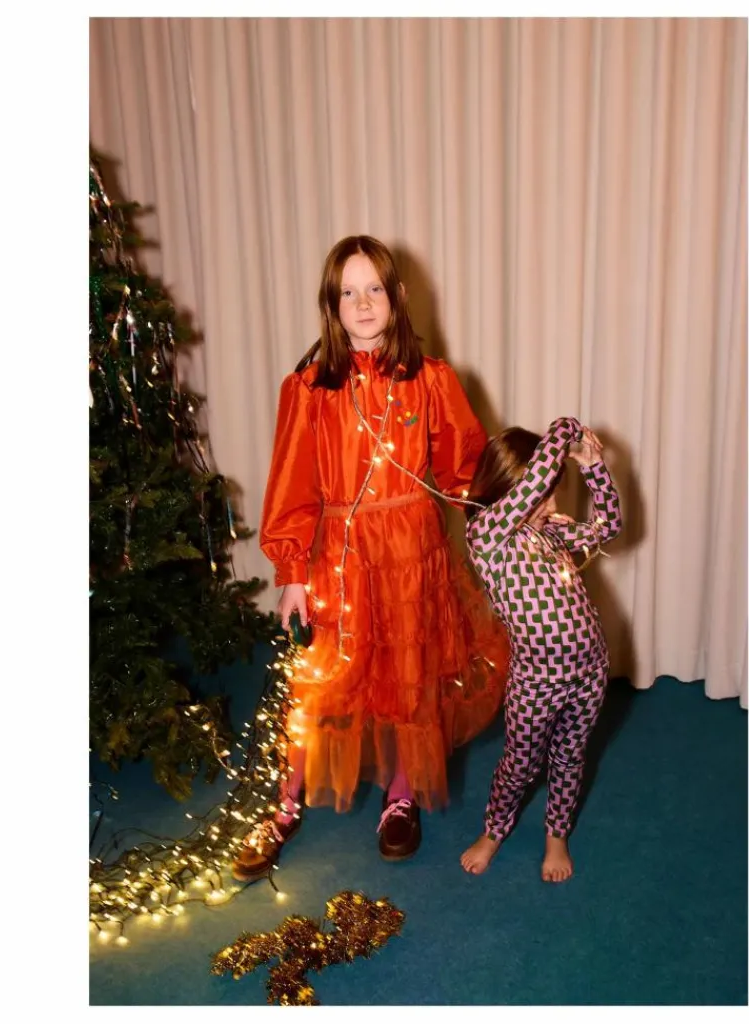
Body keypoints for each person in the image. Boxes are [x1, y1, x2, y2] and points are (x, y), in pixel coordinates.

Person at [231, 235, 508, 881]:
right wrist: (292, 572)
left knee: (409, 679)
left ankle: (400, 797)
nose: (362, 303)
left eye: (374, 289)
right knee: (320, 686)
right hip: (341, 562)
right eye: (348, 292)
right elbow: (292, 484)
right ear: (331, 305)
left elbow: (465, 470)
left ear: (398, 296)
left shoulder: (431, 380)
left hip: (413, 555)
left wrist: (521, 493)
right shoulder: (309, 389)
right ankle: (284, 804)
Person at [458, 417, 623, 882]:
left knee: (571, 756)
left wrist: (593, 465)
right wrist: (567, 429)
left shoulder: (548, 534)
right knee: (520, 764)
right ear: (511, 487)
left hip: (590, 671)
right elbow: (534, 483)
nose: (551, 503)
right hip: (536, 682)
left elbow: (609, 526)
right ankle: (493, 831)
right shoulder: (488, 537)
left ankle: (557, 836)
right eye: (544, 493)